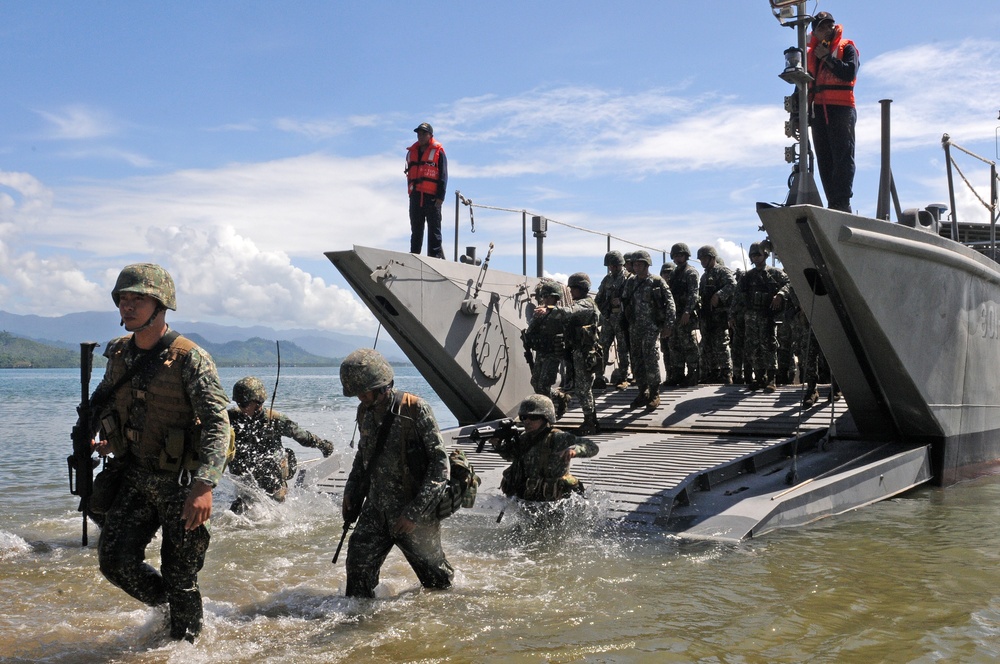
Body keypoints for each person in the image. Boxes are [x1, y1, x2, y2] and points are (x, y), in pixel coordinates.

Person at [87, 263, 231, 642]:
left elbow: (218, 424)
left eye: (138, 299)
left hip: (181, 485)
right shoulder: (119, 353)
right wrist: (100, 434)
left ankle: (186, 645)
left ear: (161, 305)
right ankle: (174, 614)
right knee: (114, 561)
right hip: (135, 475)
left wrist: (205, 486)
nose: (127, 307)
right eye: (123, 299)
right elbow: (107, 401)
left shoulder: (190, 359)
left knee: (181, 575)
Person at [339, 348, 453, 598]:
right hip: (376, 509)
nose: (360, 397)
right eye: (356, 393)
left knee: (436, 583)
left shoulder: (415, 409)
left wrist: (414, 513)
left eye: (364, 391)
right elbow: (363, 457)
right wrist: (351, 491)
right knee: (358, 567)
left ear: (382, 385)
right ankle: (360, 626)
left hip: (413, 512)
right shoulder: (364, 412)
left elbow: (440, 465)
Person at [227, 376, 334, 511]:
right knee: (239, 510)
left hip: (273, 479)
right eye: (239, 404)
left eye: (244, 404)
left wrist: (322, 445)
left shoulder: (275, 419)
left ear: (258, 401)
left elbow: (301, 436)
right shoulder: (232, 418)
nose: (241, 408)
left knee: (276, 510)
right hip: (246, 478)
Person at [492, 395, 599, 503]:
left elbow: (592, 447)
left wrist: (575, 451)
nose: (527, 421)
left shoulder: (557, 437)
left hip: (555, 500)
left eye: (533, 417)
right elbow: (512, 456)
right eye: (524, 417)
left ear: (546, 418)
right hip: (528, 496)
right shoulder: (524, 438)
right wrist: (498, 445)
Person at [532, 272, 601, 434]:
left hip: (585, 351)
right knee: (579, 387)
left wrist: (548, 309)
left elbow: (569, 312)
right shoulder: (579, 302)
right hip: (576, 350)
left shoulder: (586, 304)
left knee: (584, 388)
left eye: (573, 288)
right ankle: (589, 420)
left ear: (582, 288)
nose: (570, 291)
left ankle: (591, 422)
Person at [807, 11, 859, 213]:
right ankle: (832, 203)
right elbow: (804, 85)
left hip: (842, 109)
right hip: (818, 111)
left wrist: (828, 58)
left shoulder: (846, 47)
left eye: (829, 25)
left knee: (843, 156)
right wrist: (797, 115)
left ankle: (842, 203)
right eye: (822, 27)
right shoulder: (811, 55)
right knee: (824, 158)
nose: (827, 30)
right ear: (815, 33)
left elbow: (849, 72)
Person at [731, 243, 791, 392]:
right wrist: (732, 315)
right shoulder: (747, 276)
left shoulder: (775, 273)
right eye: (753, 255)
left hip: (767, 315)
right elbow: (737, 297)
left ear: (765, 255)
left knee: (769, 345)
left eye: (758, 255)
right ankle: (759, 377)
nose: (755, 258)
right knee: (753, 347)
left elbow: (789, 283)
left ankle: (771, 378)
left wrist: (780, 295)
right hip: (750, 316)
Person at [621, 250, 675, 409]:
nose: (637, 267)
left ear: (647, 265)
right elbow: (624, 301)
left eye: (640, 264)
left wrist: (668, 325)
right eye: (635, 264)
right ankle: (642, 392)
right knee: (636, 359)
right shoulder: (630, 282)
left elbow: (670, 304)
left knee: (650, 357)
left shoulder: (657, 282)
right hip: (635, 327)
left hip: (651, 326)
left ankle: (654, 393)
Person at [524, 279, 571, 418]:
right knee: (535, 382)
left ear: (555, 297)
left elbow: (569, 314)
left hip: (553, 353)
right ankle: (560, 397)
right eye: (543, 296)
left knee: (544, 384)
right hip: (541, 352)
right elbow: (531, 330)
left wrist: (549, 310)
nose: (545, 299)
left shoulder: (559, 313)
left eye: (548, 296)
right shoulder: (540, 312)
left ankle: (547, 414)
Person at [405, 122, 448, 258]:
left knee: (434, 229)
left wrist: (440, 197)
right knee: (416, 229)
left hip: (432, 198)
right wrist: (412, 194)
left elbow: (443, 174)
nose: (421, 136)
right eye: (419, 134)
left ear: (431, 135)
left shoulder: (438, 152)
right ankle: (414, 255)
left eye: (424, 133)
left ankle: (434, 257)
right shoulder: (412, 153)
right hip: (416, 196)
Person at [697, 245, 737, 384]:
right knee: (708, 345)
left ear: (712, 258)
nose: (702, 261)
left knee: (721, 344)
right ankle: (713, 372)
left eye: (705, 258)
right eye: (701, 259)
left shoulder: (722, 271)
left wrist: (719, 295)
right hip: (707, 315)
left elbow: (732, 285)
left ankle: (726, 373)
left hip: (720, 314)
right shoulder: (704, 276)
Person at [665, 243, 701, 387]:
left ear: (686, 256)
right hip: (675, 315)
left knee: (689, 344)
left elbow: (694, 294)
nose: (678, 258)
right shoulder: (674, 273)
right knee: (674, 344)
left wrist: (688, 311)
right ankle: (678, 374)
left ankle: (693, 374)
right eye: (676, 255)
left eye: (680, 255)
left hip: (686, 314)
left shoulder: (691, 272)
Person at [594, 250, 629, 390]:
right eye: (610, 265)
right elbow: (598, 298)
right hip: (608, 318)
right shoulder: (607, 280)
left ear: (621, 265)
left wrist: (621, 301)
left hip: (622, 318)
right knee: (602, 346)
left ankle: (623, 376)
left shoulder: (628, 279)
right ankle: (599, 376)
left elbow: (633, 299)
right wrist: (605, 309)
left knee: (622, 348)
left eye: (615, 265)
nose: (613, 268)